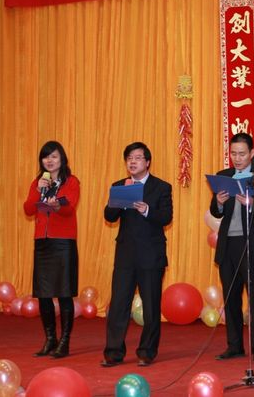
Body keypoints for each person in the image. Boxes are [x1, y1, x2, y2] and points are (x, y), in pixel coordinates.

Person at [101, 142, 173, 367]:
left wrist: (147, 210)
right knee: (118, 305)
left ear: (147, 162)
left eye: (138, 158)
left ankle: (146, 352)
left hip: (151, 255)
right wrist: (119, 201)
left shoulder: (161, 187)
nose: (132, 162)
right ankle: (113, 353)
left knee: (151, 306)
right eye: (129, 158)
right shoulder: (119, 185)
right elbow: (109, 216)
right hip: (126, 254)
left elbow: (166, 217)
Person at [210, 133, 254, 362]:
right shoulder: (224, 176)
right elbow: (216, 211)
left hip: (252, 242)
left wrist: (251, 204)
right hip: (228, 242)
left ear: (252, 153)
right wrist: (219, 202)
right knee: (231, 297)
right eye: (233, 154)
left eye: (242, 154)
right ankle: (234, 345)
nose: (237, 158)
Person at [23, 141, 80, 359]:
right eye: (46, 157)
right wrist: (39, 192)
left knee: (64, 293)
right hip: (42, 243)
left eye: (54, 156)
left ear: (62, 159)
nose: (50, 160)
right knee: (43, 294)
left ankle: (64, 341)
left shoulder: (71, 181)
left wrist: (57, 205)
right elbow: (28, 209)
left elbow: (69, 208)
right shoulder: (38, 182)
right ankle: (50, 339)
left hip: (63, 243)